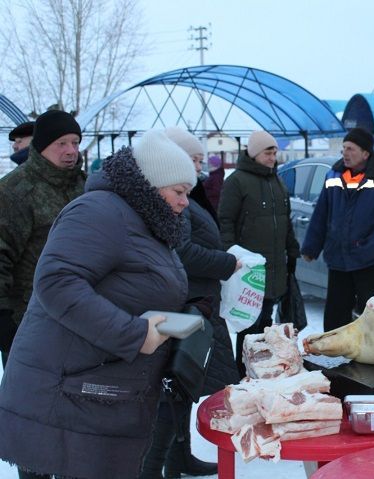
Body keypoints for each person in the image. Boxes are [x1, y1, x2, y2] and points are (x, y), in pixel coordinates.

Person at [0, 129, 197, 479]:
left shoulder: (143, 221)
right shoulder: (99, 211)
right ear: (150, 185)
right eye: (179, 192)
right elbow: (56, 283)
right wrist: (133, 334)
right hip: (66, 390)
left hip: (98, 387)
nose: (185, 202)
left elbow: (136, 285)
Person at [138, 127, 240, 479]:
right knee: (172, 392)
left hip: (195, 302)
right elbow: (182, 251)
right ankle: (162, 465)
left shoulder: (188, 197)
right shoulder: (174, 202)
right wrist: (227, 263)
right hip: (183, 304)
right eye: (192, 159)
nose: (198, 167)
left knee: (182, 390)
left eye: (198, 160)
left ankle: (179, 458)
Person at [301, 128, 374, 331]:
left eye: (350, 149)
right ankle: (333, 357)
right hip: (338, 259)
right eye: (343, 148)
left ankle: (371, 358)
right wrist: (311, 247)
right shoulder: (333, 174)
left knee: (371, 315)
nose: (345, 153)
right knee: (336, 315)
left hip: (370, 259)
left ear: (365, 153)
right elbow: (321, 213)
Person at [0, 110, 86, 368]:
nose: (71, 150)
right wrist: (3, 318)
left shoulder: (85, 186)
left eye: (75, 142)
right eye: (62, 143)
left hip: (84, 316)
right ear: (42, 146)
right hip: (29, 320)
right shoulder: (15, 191)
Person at [218, 130, 300, 377]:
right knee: (248, 325)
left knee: (265, 325)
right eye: (268, 151)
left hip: (274, 268)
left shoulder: (276, 181)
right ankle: (241, 371)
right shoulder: (236, 181)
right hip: (248, 270)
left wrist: (292, 249)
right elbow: (225, 221)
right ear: (254, 154)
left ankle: (261, 370)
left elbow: (285, 221)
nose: (273, 156)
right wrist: (230, 256)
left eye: (275, 151)